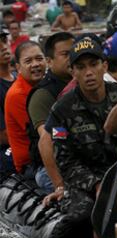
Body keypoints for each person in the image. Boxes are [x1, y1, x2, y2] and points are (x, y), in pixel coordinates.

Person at [46, 36, 117, 238]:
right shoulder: (62, 109)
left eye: (94, 64)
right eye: (81, 67)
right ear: (73, 72)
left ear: (105, 66)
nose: (88, 72)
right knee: (83, 215)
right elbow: (65, 162)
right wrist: (96, 184)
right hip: (84, 183)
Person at [25, 32, 74, 201]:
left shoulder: (83, 84)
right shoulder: (43, 95)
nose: (72, 57)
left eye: (73, 52)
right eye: (65, 54)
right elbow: (50, 139)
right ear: (50, 61)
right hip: (51, 167)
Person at [4, 40, 47, 177]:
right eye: (28, 61)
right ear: (18, 67)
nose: (35, 64)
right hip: (32, 164)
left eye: (39, 59)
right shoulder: (17, 94)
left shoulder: (46, 84)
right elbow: (41, 134)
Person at [0, 27, 15, 171]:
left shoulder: (20, 77)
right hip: (7, 149)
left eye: (4, 41)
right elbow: (3, 135)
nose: (4, 47)